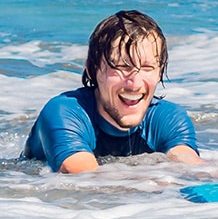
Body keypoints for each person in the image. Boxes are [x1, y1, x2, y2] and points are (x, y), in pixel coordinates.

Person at [22, 10, 203, 173]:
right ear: (93, 70)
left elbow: (190, 165)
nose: (135, 84)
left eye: (148, 68)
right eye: (122, 67)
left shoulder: (169, 117)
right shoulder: (64, 112)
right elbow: (86, 178)